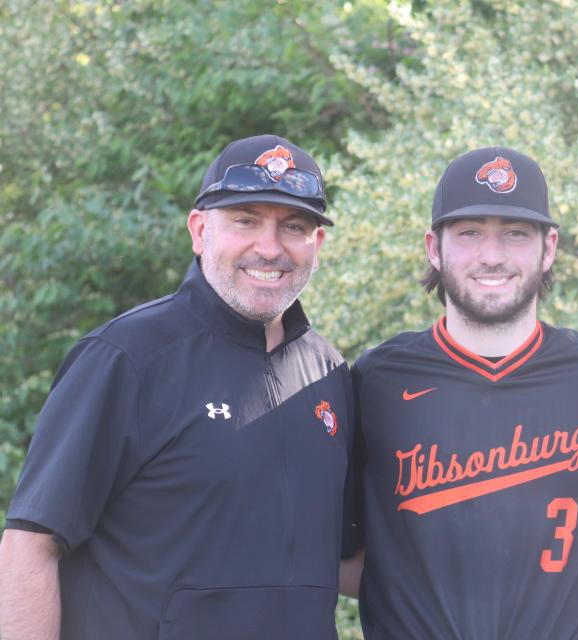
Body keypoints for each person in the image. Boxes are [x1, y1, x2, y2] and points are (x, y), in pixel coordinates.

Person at [0, 134, 354, 639]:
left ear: (316, 245)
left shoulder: (329, 375)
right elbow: (30, 547)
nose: (270, 246)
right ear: (199, 230)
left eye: (293, 226)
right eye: (246, 220)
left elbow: (339, 557)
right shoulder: (128, 357)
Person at [342, 147, 578, 638]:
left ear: (549, 246)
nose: (492, 256)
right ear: (434, 247)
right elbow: (341, 558)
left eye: (515, 234)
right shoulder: (378, 380)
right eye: (470, 233)